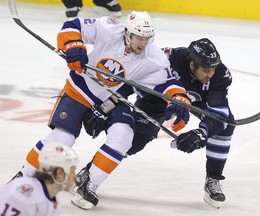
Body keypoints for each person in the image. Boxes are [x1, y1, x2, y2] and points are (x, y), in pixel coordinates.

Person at [11, 11, 191, 210]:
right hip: (78, 91)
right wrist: (73, 44)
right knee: (63, 139)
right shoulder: (109, 27)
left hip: (109, 99)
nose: (143, 43)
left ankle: (89, 182)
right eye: (139, 37)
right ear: (127, 33)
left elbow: (167, 83)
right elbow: (72, 26)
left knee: (124, 135)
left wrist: (178, 98)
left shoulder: (154, 57)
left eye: (147, 38)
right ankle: (23, 178)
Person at [82, 38, 235, 208]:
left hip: (195, 101)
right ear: (192, 65)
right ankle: (89, 173)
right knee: (134, 141)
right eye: (206, 70)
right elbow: (133, 79)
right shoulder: (166, 59)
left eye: (213, 69)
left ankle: (213, 178)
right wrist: (108, 103)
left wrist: (201, 133)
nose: (210, 74)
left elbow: (219, 114)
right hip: (156, 99)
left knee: (226, 125)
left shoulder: (220, 75)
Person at [0, 143, 79, 215]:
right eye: (72, 171)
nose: (75, 176)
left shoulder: (52, 195)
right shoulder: (24, 197)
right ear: (59, 173)